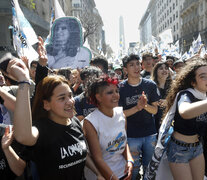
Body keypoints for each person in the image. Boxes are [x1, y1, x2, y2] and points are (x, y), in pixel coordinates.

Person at [7, 58, 104, 180]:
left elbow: (81, 152)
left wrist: (98, 173)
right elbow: (22, 136)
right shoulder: (41, 129)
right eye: (62, 98)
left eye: (70, 95)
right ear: (46, 104)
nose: (70, 102)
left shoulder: (75, 122)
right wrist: (23, 81)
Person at [83, 75, 133, 180]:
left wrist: (129, 160)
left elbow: (123, 143)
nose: (116, 95)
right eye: (110, 92)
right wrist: (113, 178)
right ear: (98, 97)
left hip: (124, 172)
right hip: (103, 177)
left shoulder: (121, 114)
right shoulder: (90, 122)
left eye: (116, 91)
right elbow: (97, 158)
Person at [165, 57, 207, 180]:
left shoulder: (204, 95)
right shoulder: (186, 94)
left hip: (197, 147)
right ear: (193, 82)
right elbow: (185, 112)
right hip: (179, 149)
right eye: (203, 76)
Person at [119, 54, 159, 180]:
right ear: (125, 69)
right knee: (133, 169)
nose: (136, 67)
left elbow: (155, 110)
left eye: (137, 64)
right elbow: (120, 114)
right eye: (131, 65)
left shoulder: (150, 85)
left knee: (150, 168)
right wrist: (137, 107)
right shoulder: (120, 88)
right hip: (131, 135)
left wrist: (145, 105)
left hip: (150, 134)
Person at [151, 61, 172, 132]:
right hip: (154, 122)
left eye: (166, 68)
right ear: (155, 71)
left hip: (168, 121)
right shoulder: (151, 86)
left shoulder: (173, 86)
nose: (164, 70)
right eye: (161, 68)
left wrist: (168, 102)